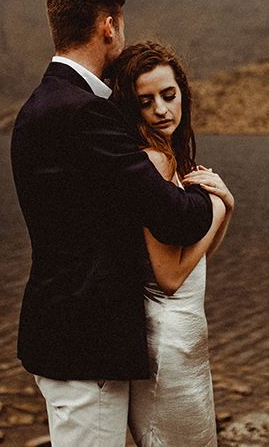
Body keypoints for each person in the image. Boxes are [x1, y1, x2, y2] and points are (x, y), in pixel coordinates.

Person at [10, 0, 224, 447]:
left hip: (68, 333)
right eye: (120, 26)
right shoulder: (83, 112)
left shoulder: (42, 105)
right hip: (86, 344)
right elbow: (174, 216)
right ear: (109, 26)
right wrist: (216, 197)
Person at [111, 41, 234, 447]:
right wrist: (216, 208)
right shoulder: (153, 162)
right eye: (146, 102)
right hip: (168, 341)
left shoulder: (169, 157)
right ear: (132, 109)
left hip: (187, 335)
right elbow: (169, 277)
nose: (162, 110)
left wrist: (226, 210)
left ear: (182, 91)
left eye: (169, 95)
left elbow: (196, 259)